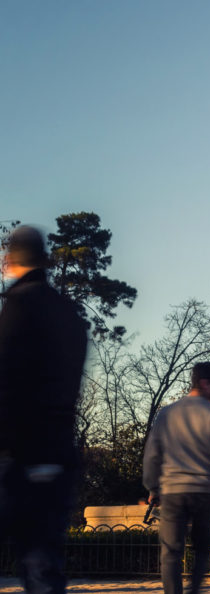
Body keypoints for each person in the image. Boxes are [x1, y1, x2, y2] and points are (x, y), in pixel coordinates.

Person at [0, 225, 88, 594]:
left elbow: (6, 380)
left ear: (10, 259)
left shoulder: (19, 305)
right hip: (59, 450)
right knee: (45, 562)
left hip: (20, 451)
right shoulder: (69, 313)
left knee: (34, 558)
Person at [143, 361, 210, 594]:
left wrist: (153, 488)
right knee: (201, 550)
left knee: (170, 552)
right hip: (205, 491)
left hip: (173, 491)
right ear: (204, 383)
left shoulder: (167, 414)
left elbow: (153, 454)